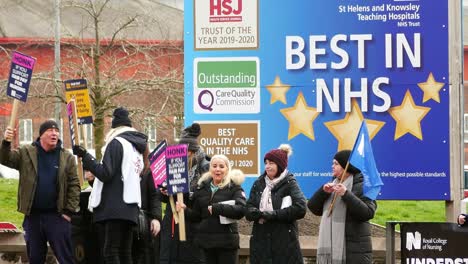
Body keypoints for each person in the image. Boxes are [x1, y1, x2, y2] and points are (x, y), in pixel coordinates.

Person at [72, 107, 148, 264]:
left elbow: (106, 173)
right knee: (125, 252)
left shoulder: (116, 143)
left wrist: (86, 157)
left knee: (110, 251)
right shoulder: (136, 148)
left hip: (114, 207)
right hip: (131, 206)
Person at [0, 120, 80, 264]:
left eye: (57, 131)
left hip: (57, 217)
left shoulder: (66, 157)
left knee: (66, 258)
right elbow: (5, 159)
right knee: (35, 258)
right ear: (41, 135)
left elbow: (74, 185)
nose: (54, 134)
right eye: (50, 130)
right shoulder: (26, 153)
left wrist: (68, 212)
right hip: (33, 218)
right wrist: (6, 142)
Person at [307, 150, 377, 264]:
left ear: (346, 166)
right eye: (333, 163)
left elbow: (368, 213)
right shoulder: (333, 185)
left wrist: (346, 194)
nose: (332, 166)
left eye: (336, 164)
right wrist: (323, 192)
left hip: (354, 252)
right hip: (331, 251)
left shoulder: (363, 186)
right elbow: (313, 208)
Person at [177, 154, 246, 264]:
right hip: (206, 244)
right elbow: (197, 216)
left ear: (227, 169)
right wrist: (184, 210)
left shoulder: (234, 188)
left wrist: (218, 208)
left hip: (226, 244)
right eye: (214, 166)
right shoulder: (201, 188)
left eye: (221, 166)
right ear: (210, 169)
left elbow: (241, 210)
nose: (217, 169)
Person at [245, 144, 306, 264]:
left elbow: (300, 208)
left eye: (271, 163)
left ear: (280, 165)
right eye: (266, 163)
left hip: (284, 243)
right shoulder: (259, 183)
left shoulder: (290, 183)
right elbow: (248, 207)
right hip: (261, 242)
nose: (267, 166)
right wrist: (254, 212)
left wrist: (273, 214)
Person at [159, 123, 209, 264]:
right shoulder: (174, 164)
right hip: (172, 219)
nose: (183, 155)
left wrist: (186, 193)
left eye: (186, 151)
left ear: (193, 151)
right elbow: (162, 197)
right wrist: (165, 192)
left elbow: (205, 196)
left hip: (191, 221)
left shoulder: (204, 167)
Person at [132, 160, 162, 264]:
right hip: (127, 220)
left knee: (145, 255)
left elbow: (155, 196)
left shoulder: (148, 171)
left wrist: (156, 218)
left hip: (144, 221)